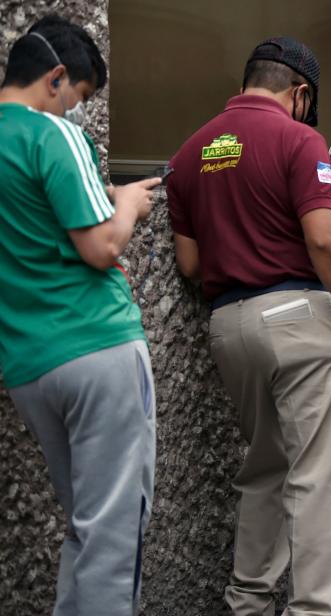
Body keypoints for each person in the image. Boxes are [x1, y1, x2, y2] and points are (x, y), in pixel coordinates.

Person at [166, 37, 331, 615]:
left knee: (266, 470)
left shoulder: (190, 153)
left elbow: (190, 264)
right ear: (300, 93)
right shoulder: (300, 139)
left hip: (230, 325)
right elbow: (325, 237)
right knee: (321, 480)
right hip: (300, 319)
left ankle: (247, 604)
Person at [0, 16, 159, 615]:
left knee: (86, 526)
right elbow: (101, 246)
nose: (80, 112)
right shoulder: (50, 133)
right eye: (83, 98)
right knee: (115, 535)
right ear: (56, 78)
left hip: (27, 365)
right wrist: (128, 203)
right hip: (97, 349)